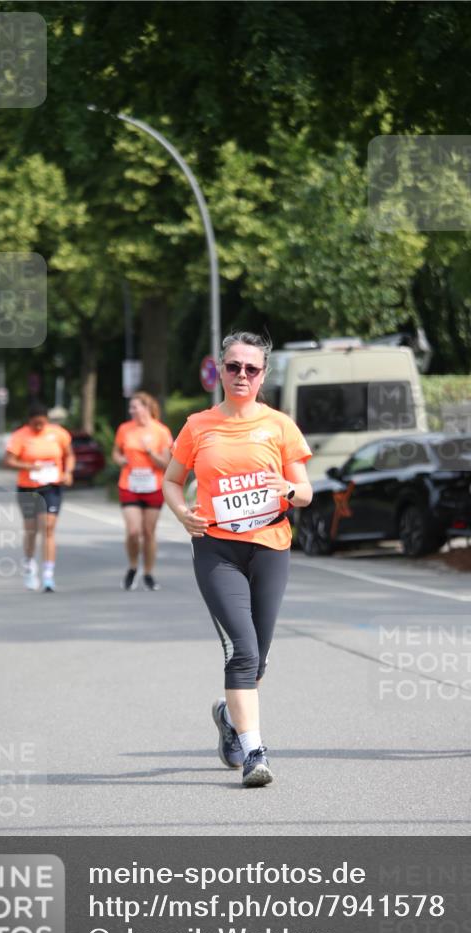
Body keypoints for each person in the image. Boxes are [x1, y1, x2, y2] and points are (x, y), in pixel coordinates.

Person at [163, 332, 313, 787]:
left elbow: (305, 491)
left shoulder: (280, 425)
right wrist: (181, 512)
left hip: (270, 546)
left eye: (251, 368)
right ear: (220, 370)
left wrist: (288, 489)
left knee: (258, 657)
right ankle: (255, 753)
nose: (242, 375)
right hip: (216, 547)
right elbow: (172, 480)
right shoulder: (198, 426)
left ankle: (230, 716)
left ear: (264, 374)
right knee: (242, 652)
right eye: (233, 367)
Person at [4, 402, 75, 593]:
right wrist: (28, 467)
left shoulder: (58, 433)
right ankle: (29, 565)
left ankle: (48, 575)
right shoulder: (20, 436)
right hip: (28, 488)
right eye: (35, 423)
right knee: (31, 530)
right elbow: (9, 460)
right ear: (29, 421)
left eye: (42, 423)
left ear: (47, 420)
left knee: (49, 528)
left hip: (52, 486)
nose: (38, 427)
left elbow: (69, 455)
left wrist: (68, 472)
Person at [112, 391, 173, 592]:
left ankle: (148, 573)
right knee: (133, 531)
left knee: (148, 532)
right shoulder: (125, 429)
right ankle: (132, 567)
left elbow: (167, 463)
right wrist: (120, 460)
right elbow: (116, 452)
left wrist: (150, 452)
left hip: (153, 485)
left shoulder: (161, 431)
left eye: (134, 407)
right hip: (129, 484)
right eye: (130, 407)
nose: (131, 411)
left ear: (146, 407)